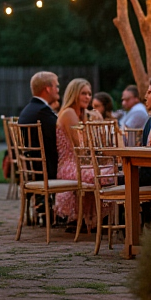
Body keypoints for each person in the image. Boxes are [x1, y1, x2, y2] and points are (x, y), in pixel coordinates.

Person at [52, 78, 98, 223]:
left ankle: (90, 218)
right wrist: (95, 124)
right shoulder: (69, 113)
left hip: (79, 163)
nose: (87, 97)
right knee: (106, 174)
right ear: (74, 94)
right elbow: (82, 147)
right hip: (69, 165)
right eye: (83, 93)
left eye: (89, 94)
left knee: (111, 171)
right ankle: (90, 219)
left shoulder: (80, 114)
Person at [17, 70, 59, 182]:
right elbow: (60, 136)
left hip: (32, 169)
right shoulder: (42, 112)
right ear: (48, 89)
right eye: (56, 86)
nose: (58, 91)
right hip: (47, 170)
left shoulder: (28, 110)